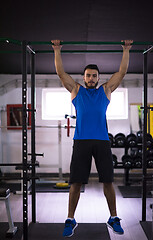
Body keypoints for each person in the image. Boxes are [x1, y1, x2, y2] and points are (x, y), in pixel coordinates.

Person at [51, 39, 133, 237]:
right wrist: (56, 50)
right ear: (84, 77)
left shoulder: (105, 90)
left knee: (108, 181)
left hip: (102, 142)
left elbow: (121, 73)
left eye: (94, 76)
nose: (91, 78)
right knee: (76, 182)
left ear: (98, 78)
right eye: (88, 75)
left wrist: (126, 49)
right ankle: (70, 219)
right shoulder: (76, 90)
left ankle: (113, 218)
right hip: (81, 142)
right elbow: (61, 74)